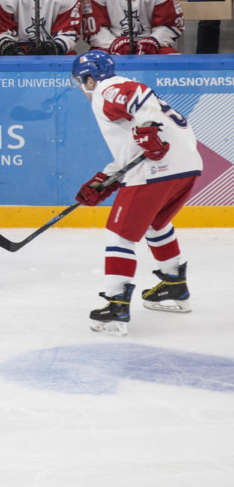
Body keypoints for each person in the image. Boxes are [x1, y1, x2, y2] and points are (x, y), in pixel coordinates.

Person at [69, 50, 201, 336]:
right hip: (187, 165)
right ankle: (174, 285)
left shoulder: (106, 89)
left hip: (158, 169)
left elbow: (138, 95)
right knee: (156, 224)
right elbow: (135, 148)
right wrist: (105, 179)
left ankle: (116, 305)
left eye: (80, 81)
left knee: (119, 235)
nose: (81, 87)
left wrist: (147, 132)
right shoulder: (116, 94)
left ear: (90, 79)